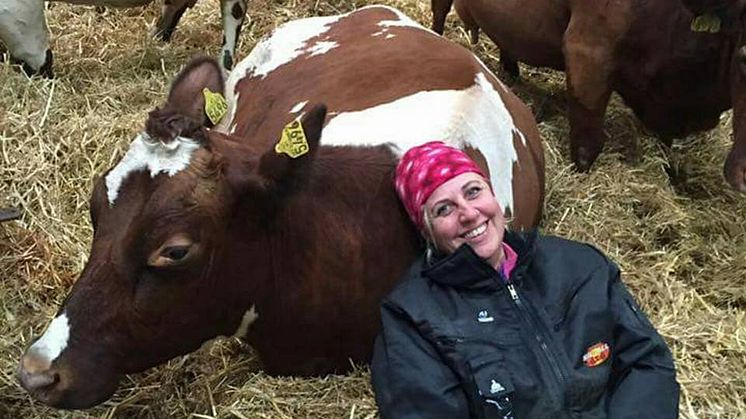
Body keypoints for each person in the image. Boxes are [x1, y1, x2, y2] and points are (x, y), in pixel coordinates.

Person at [371, 141, 679, 419]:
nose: (468, 213)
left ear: (493, 194)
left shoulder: (579, 266)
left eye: (473, 191)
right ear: (428, 232)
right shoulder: (412, 316)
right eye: (444, 209)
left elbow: (646, 362)